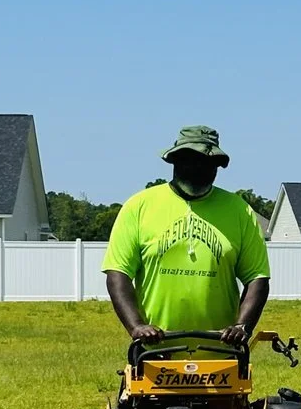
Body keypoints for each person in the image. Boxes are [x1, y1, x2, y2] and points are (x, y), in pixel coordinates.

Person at [102, 125, 270, 347]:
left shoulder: (239, 211)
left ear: (217, 166)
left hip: (221, 352)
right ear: (175, 160)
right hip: (155, 351)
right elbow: (118, 273)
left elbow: (257, 277)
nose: (199, 167)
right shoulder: (139, 207)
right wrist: (137, 326)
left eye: (208, 162)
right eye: (191, 159)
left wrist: (241, 326)